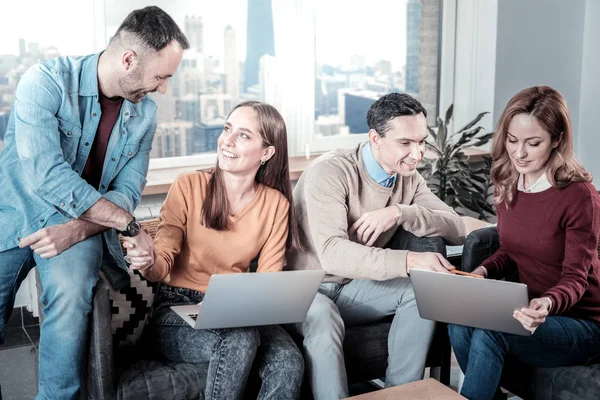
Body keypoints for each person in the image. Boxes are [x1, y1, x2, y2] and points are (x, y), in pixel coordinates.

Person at [0, 7, 188, 399]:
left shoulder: (145, 113)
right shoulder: (45, 82)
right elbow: (48, 176)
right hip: (15, 215)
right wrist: (129, 225)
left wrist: (77, 229)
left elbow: (129, 187)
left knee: (70, 299)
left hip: (81, 225)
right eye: (162, 76)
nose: (163, 88)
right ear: (129, 60)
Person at [286, 92, 466, 399]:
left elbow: (457, 228)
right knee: (324, 318)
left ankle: (399, 394)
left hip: (352, 288)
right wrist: (409, 261)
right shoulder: (330, 172)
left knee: (422, 292)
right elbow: (332, 254)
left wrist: (400, 212)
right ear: (375, 138)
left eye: (422, 141)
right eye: (406, 143)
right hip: (303, 289)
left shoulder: (407, 178)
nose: (418, 153)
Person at [123, 101, 305, 400]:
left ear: (267, 152)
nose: (227, 141)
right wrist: (148, 259)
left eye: (244, 135)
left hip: (239, 309)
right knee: (239, 340)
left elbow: (268, 280)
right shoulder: (188, 185)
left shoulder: (276, 204)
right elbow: (162, 264)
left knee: (288, 361)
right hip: (178, 308)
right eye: (227, 129)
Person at [448, 86, 600, 400]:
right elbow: (512, 248)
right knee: (459, 323)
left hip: (582, 322)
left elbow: (576, 278)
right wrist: (482, 273)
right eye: (513, 140)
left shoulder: (579, 196)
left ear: (557, 140)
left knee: (492, 330)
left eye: (533, 143)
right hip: (529, 310)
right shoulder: (507, 180)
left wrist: (547, 303)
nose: (520, 153)